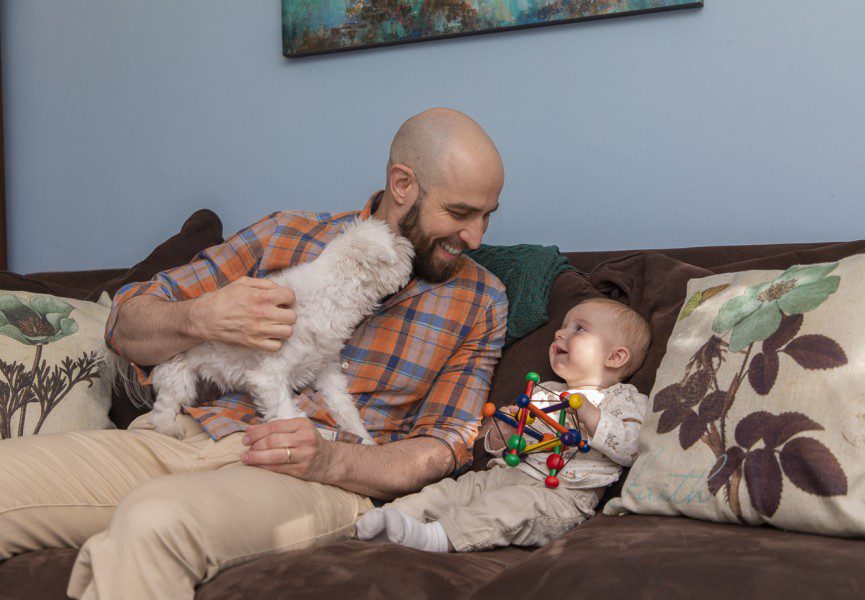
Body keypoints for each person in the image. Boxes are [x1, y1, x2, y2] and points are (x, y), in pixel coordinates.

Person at [0, 108, 508, 599]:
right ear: (403, 185)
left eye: (487, 215)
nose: (477, 237)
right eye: (460, 213)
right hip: (183, 437)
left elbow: (445, 447)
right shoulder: (286, 233)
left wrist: (331, 459)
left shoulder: (480, 299)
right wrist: (201, 317)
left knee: (155, 522)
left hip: (310, 478)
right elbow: (125, 321)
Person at [355, 297, 651, 552]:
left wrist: (592, 416)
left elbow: (632, 448)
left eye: (579, 328)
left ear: (616, 356)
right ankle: (383, 522)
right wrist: (503, 433)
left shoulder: (624, 400)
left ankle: (436, 537)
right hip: (502, 475)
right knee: (449, 491)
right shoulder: (543, 391)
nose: (560, 333)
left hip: (559, 496)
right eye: (562, 326)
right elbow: (501, 447)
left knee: (507, 509)